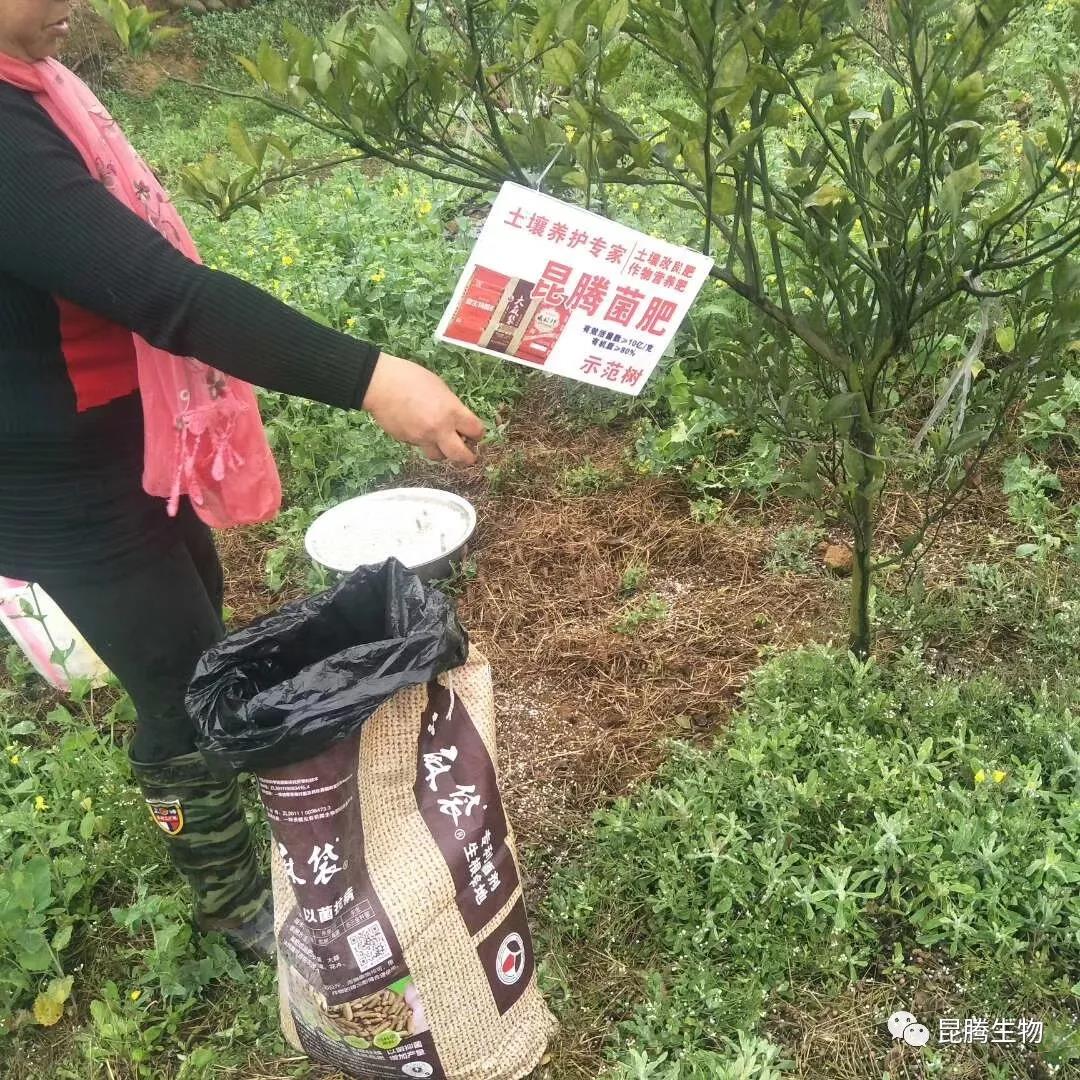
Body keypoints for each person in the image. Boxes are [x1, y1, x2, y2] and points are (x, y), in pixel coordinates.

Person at [0, 0, 485, 959]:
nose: (77, 8)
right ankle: (233, 903)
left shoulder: (40, 86)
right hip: (49, 473)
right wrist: (372, 377)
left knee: (200, 628)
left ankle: (241, 822)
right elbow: (165, 295)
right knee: (179, 684)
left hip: (123, 434)